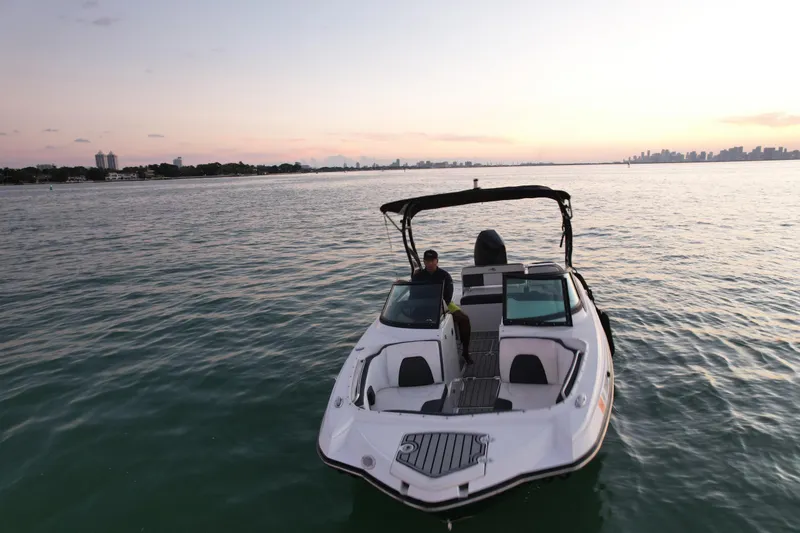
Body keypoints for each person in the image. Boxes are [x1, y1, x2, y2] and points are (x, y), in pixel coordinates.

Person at [412, 250, 473, 364]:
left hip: (444, 304)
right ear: (424, 262)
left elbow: (448, 297)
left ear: (437, 261)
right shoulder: (418, 276)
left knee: (464, 319)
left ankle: (465, 352)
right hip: (423, 306)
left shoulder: (445, 276)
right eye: (427, 261)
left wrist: (440, 307)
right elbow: (413, 296)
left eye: (432, 261)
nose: (430, 263)